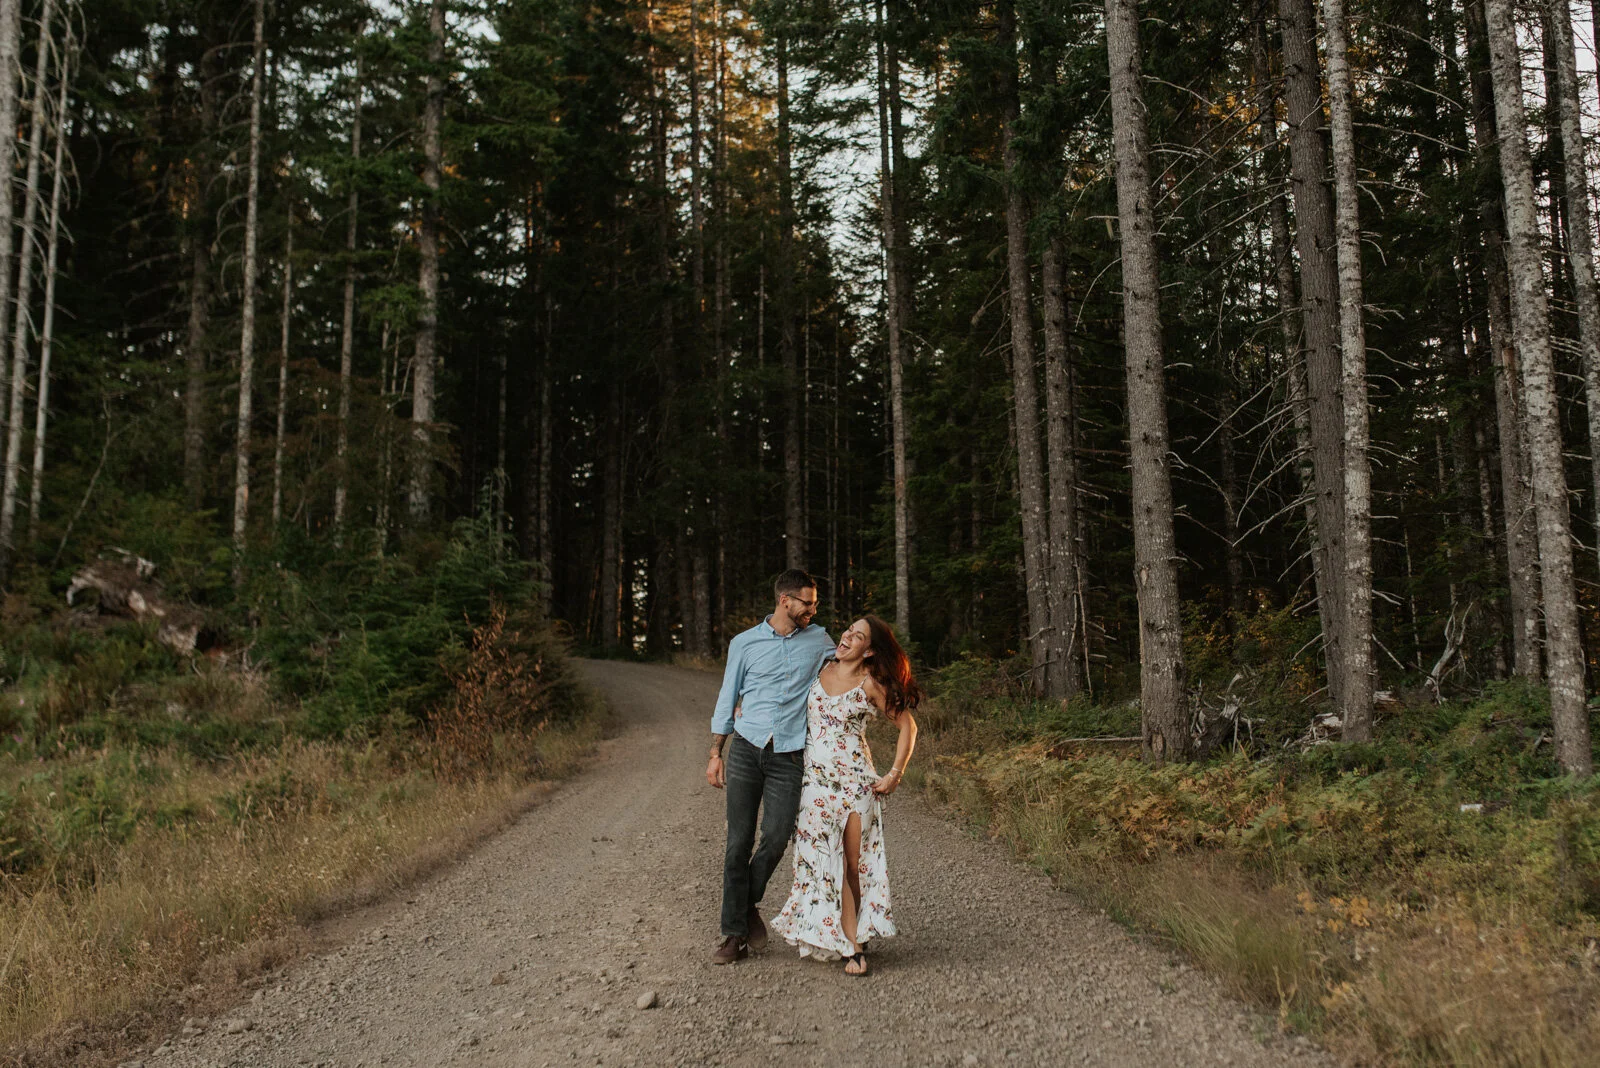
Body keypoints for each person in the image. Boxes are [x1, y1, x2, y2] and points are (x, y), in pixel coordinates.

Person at [769, 614, 920, 977]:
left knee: (852, 864)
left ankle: (855, 944)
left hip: (854, 785)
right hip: (814, 785)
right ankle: (829, 931)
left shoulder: (871, 684)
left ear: (869, 651)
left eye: (858, 636)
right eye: (848, 630)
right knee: (818, 860)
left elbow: (908, 725)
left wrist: (895, 774)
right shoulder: (820, 668)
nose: (847, 637)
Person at [706, 568, 835, 965]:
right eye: (807, 602)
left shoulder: (821, 641)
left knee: (778, 835)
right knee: (737, 845)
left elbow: (846, 673)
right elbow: (728, 695)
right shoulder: (743, 643)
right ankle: (734, 936)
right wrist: (716, 753)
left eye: (815, 602)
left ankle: (743, 905)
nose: (813, 609)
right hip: (746, 748)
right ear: (785, 600)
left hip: (790, 754)